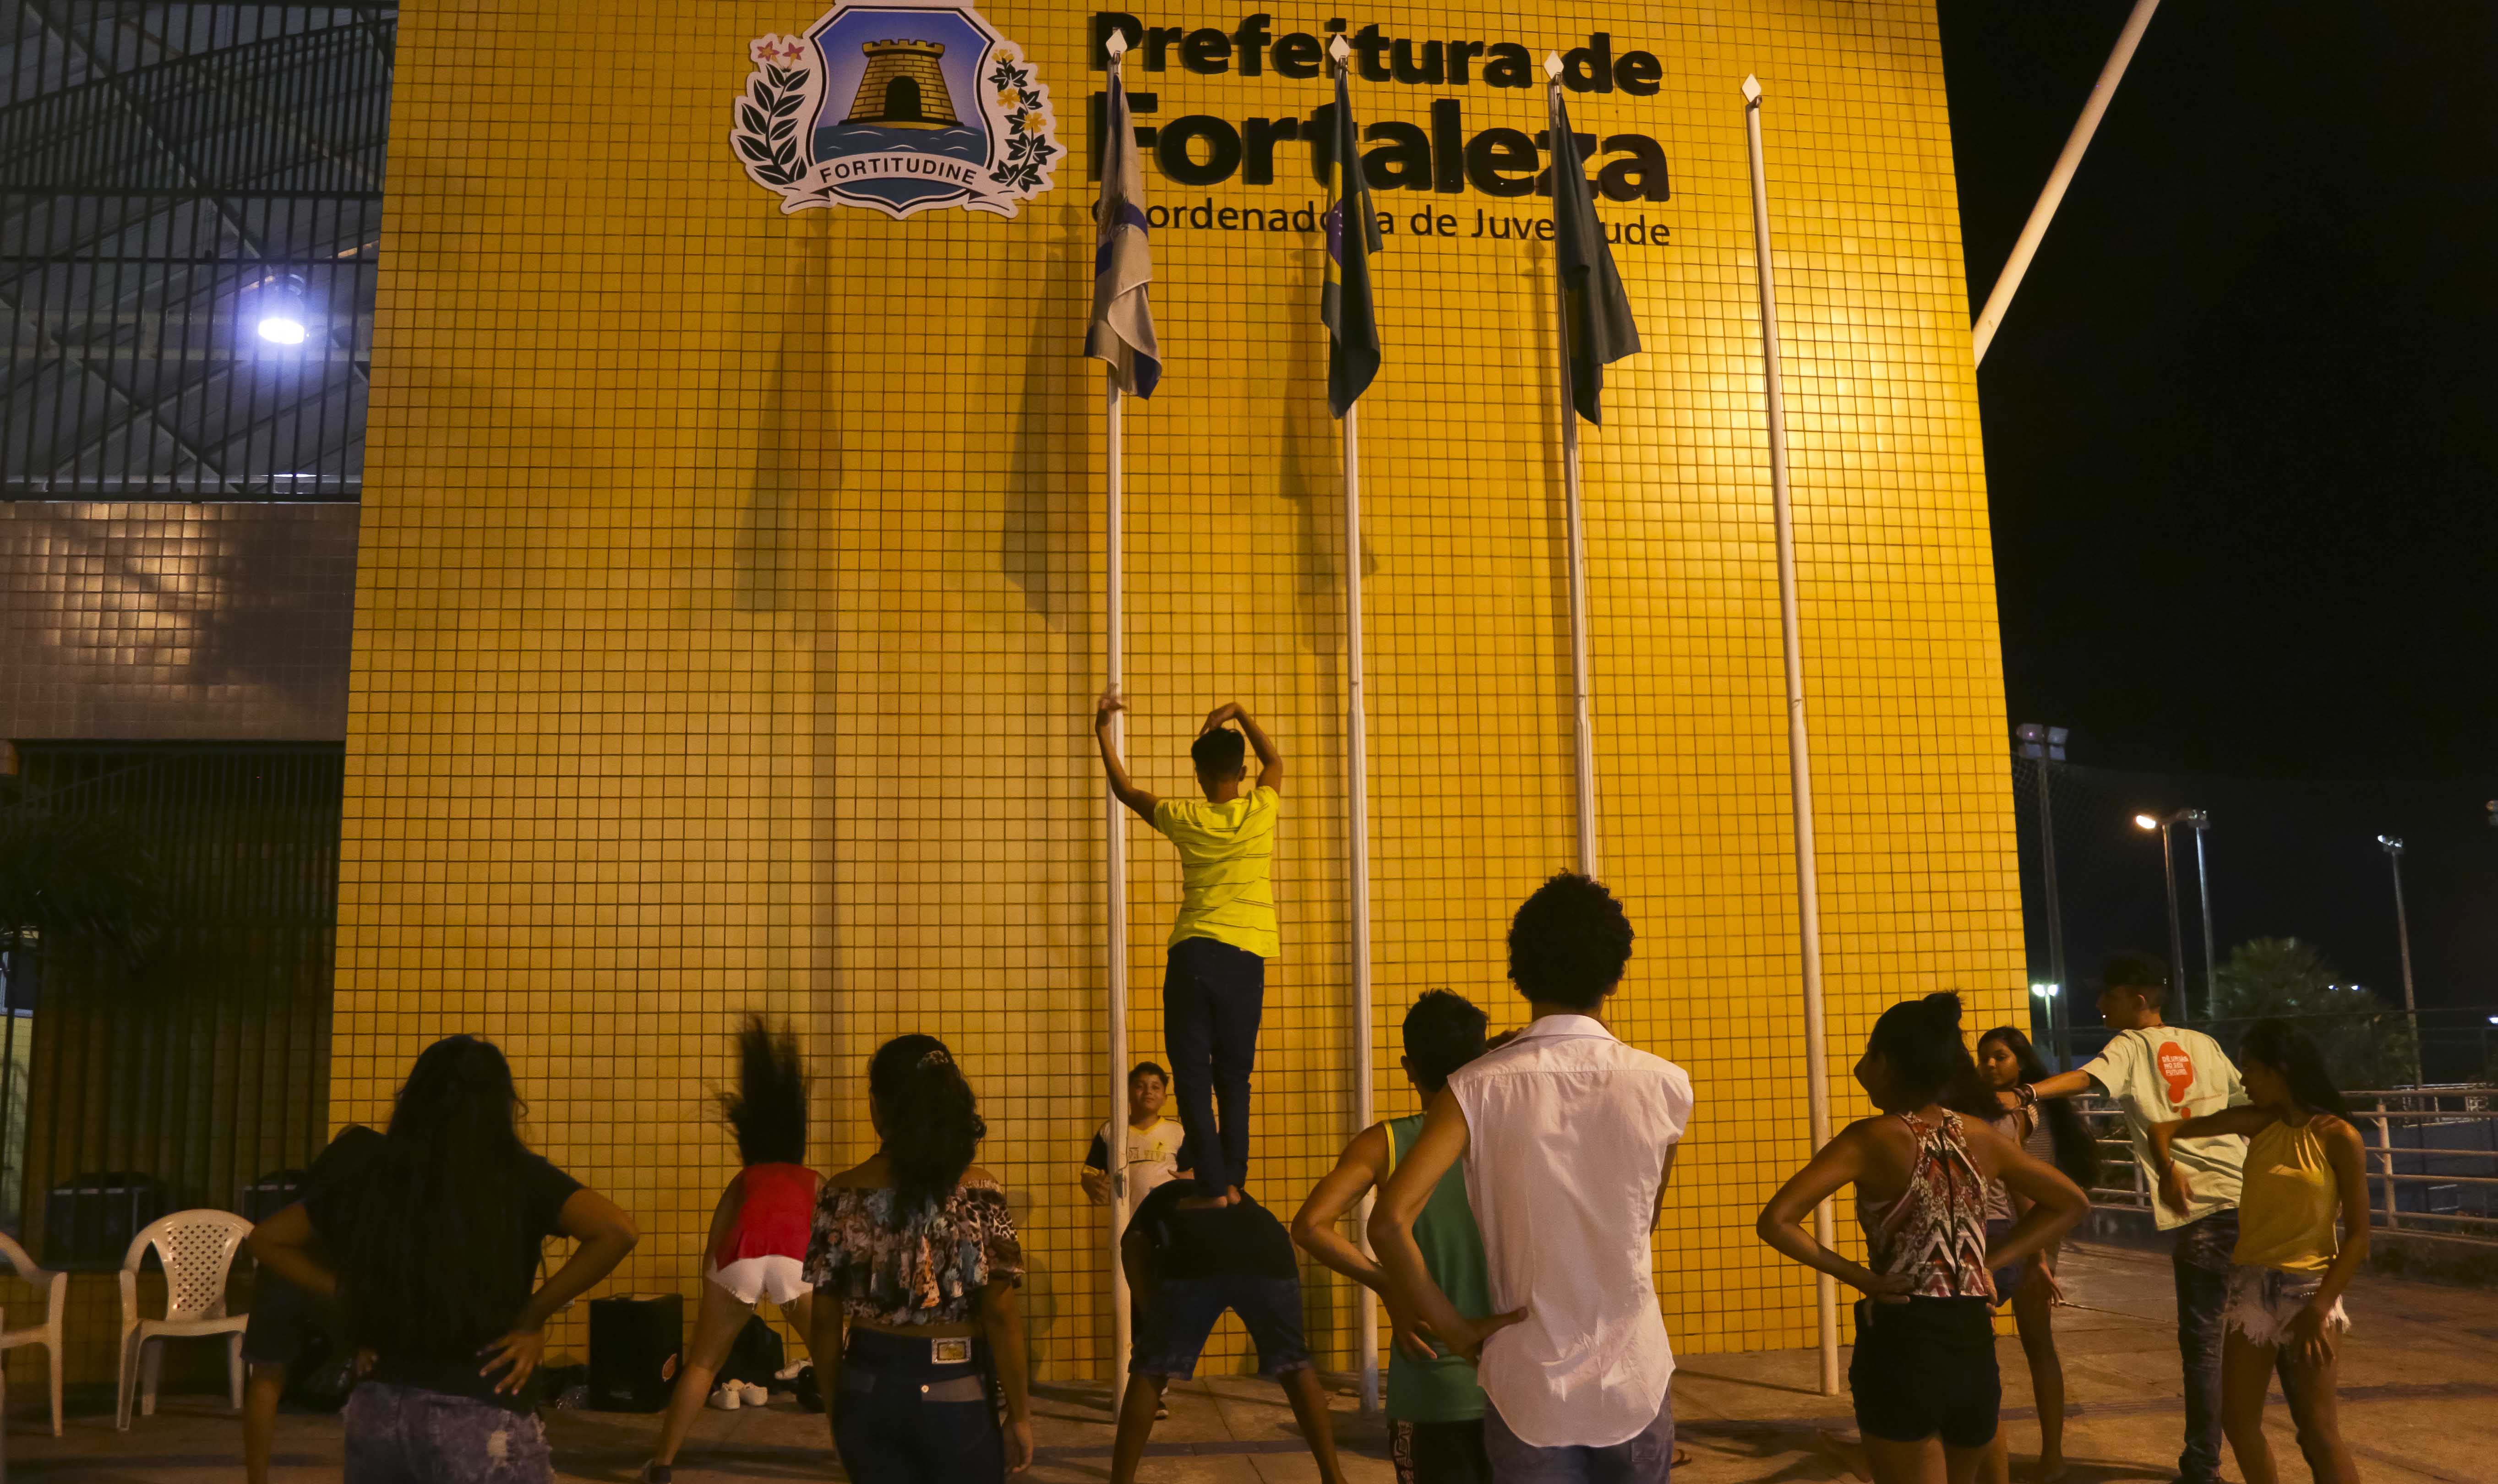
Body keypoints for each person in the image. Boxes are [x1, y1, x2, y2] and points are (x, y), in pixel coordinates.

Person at [1370, 873, 1688, 1483]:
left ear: (1519, 974)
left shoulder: (1471, 1090)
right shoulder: (1665, 1086)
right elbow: (1645, 1218)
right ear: (1615, 977)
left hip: (1527, 1382)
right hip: (1634, 1373)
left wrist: (1454, 1329)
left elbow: (1388, 1223)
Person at [248, 1036, 641, 1484]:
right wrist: (533, 1316)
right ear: (502, 1105)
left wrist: (349, 1294)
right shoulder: (517, 1174)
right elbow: (617, 1230)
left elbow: (267, 1241)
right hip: (481, 1406)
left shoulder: (373, 1172)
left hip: (380, 1407)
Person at [1756, 993, 2088, 1484]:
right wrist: (1989, 1265)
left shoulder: (1870, 1138)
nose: (1860, 1067)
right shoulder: (1980, 1135)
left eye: (1869, 1054)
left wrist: (1863, 1278)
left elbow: (1777, 1221)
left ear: (1885, 1062)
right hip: (1973, 1341)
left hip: (1904, 1338)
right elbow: (2071, 1203)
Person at [2001, 951, 2253, 1484]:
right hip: (2248, 1202)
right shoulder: (2204, 1044)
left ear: (2138, 1001)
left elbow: (2085, 1079)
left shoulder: (2131, 1045)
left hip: (2200, 1208)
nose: (2099, 1003)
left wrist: (2024, 1092)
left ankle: (2203, 1468)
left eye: (2109, 995)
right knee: (2258, 1337)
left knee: (2203, 1348)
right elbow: (2249, 1109)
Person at [2149, 1020, 2368, 1484]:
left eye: (2250, 1069)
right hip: (2250, 1286)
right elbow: (2162, 1130)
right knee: (2238, 1420)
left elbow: (2359, 1237)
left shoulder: (2338, 1136)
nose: (2243, 1079)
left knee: (2319, 1431)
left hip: (2309, 1292)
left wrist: (2320, 1307)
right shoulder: (2257, 1122)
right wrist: (2168, 1172)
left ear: (2279, 1070)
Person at [805, 1034, 1031, 1481]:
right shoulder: (980, 1191)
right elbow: (1000, 1313)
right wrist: (1021, 1415)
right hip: (956, 1386)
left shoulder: (839, 1192)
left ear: (877, 1106)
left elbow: (825, 1320)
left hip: (866, 1385)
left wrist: (837, 1410)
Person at [1293, 990, 1493, 1484]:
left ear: (1409, 1067)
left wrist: (1389, 1283)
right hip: (1519, 1381)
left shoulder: (1385, 1143)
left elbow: (1310, 1225)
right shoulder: (1512, 1138)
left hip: (1431, 1382)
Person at [1096, 689, 1282, 1208]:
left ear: (1199, 777)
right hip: (1246, 958)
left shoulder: (1185, 816)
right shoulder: (1262, 808)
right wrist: (1240, 711)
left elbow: (1126, 790)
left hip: (1194, 956)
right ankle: (1234, 1184)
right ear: (1241, 772)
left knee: (1194, 1077)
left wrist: (1102, 732)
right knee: (1235, 1078)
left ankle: (1211, 1186)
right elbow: (1275, 762)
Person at [640, 1017, 822, 1484]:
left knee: (703, 1364)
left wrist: (714, 1289)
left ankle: (662, 1465)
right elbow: (830, 1238)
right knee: (834, 1364)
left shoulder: (744, 1180)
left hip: (738, 1260)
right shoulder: (811, 1179)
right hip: (796, 1260)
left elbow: (716, 1239)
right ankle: (859, 1464)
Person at [1115, 1180, 1350, 1484]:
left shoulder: (1155, 1205)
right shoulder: (1239, 1197)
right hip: (1271, 1253)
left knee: (1151, 1369)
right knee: (1296, 1364)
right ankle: (1335, 1478)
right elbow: (1284, 1247)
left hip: (1200, 1253)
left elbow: (1132, 1249)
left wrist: (1150, 1316)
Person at [1974, 1025, 2102, 1484]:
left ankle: (2050, 1456)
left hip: (2026, 1231)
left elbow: (2026, 1182)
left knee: (2033, 1342)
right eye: (1984, 1058)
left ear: (2022, 1062)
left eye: (2000, 1057)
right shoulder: (2000, 1108)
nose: (1990, 1065)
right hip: (2010, 1232)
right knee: (2004, 1342)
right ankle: (2030, 1456)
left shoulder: (2026, 1110)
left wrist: (2038, 1258)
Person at [242, 1123, 385, 1484]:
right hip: (336, 1276)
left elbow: (268, 1238)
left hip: (284, 1268)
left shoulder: (320, 1183)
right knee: (371, 1374)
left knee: (266, 1377)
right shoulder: (381, 1170)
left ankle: (257, 1480)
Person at [1081, 1060, 1190, 1207]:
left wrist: (1191, 1180)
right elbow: (1089, 1173)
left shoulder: (1177, 1132)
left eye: (1155, 1087)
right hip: (1124, 1220)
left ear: (1165, 1098)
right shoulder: (1110, 1130)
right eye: (1140, 1086)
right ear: (1128, 1093)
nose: (1148, 1092)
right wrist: (1092, 1185)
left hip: (1166, 1217)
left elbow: (1192, 1172)